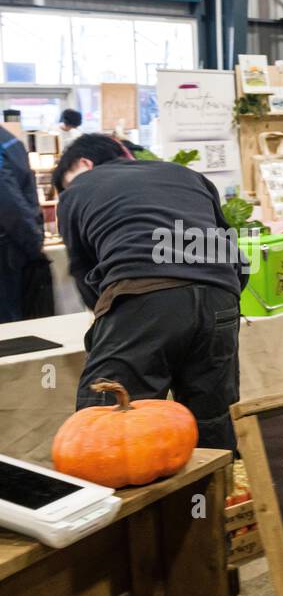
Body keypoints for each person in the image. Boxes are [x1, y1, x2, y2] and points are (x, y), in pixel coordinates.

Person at [53, 134, 247, 451]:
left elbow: (84, 271)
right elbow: (229, 247)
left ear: (83, 164)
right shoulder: (186, 175)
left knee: (110, 418)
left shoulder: (78, 189)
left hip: (143, 297)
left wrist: (109, 320)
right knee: (213, 416)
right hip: (220, 296)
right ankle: (213, 496)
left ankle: (132, 501)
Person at [0, 125, 53, 322]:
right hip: (10, 246)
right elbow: (9, 203)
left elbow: (8, 201)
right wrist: (34, 244)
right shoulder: (9, 141)